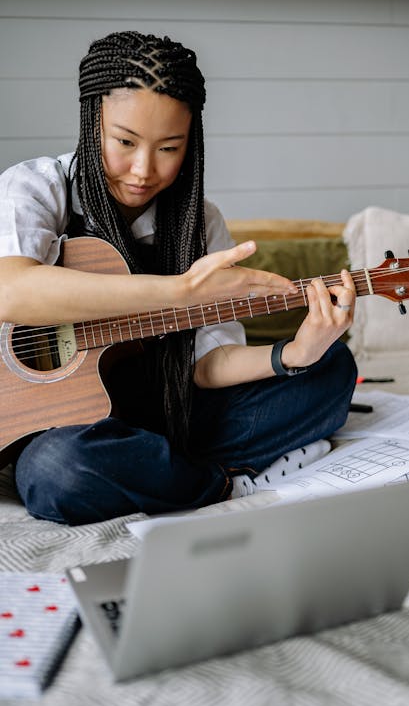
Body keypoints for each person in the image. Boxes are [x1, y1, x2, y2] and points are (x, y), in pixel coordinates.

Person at [0, 31, 357, 526]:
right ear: (90, 122)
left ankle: (155, 465)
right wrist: (180, 291)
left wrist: (295, 353)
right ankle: (219, 481)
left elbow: (208, 364)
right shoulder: (36, 188)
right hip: (54, 426)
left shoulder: (199, 222)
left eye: (169, 147)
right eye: (124, 142)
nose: (144, 170)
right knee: (58, 470)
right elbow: (12, 290)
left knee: (331, 368)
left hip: (162, 407)